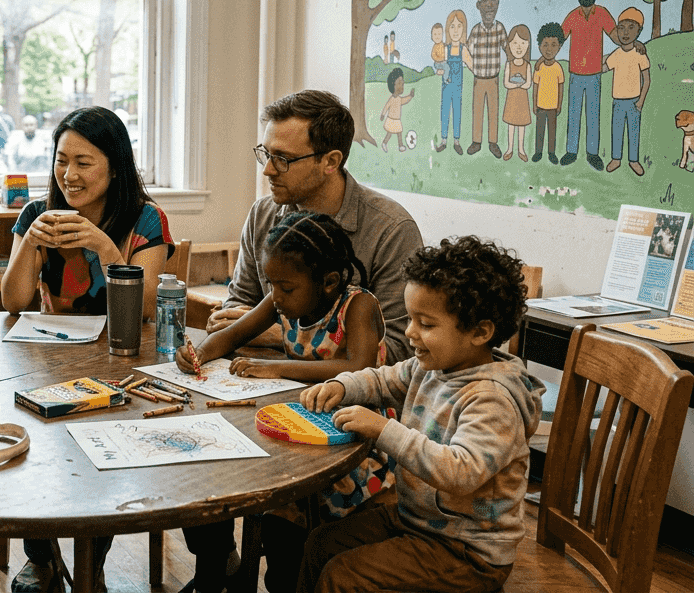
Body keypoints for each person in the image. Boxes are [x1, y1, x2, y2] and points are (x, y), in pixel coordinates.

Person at [295, 236, 545, 593]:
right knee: (320, 544)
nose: (410, 332)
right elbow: (382, 380)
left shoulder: (492, 399)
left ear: (480, 332)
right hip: (418, 521)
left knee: (343, 577)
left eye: (426, 324)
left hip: (468, 551)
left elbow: (460, 472)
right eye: (411, 318)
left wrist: (384, 429)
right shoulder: (432, 366)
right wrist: (343, 386)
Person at [0, 105, 174, 591]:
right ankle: (41, 557)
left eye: (84, 162)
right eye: (61, 161)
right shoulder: (37, 213)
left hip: (123, 361)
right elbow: (12, 301)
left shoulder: (145, 219)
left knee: (105, 453)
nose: (69, 175)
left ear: (115, 166)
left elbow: (144, 309)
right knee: (34, 448)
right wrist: (30, 242)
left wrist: (105, 248)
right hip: (49, 359)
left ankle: (89, 563)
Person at [177, 212, 392, 593]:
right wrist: (201, 352)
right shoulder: (282, 298)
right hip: (297, 429)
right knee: (272, 527)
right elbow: (233, 334)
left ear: (328, 282)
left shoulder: (358, 306)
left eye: (286, 287)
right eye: (272, 284)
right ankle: (239, 571)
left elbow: (358, 368)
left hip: (353, 442)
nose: (276, 296)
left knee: (301, 538)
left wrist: (276, 367)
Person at [206, 90, 422, 366]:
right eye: (266, 154)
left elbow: (401, 348)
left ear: (330, 161)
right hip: (265, 377)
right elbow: (237, 307)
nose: (268, 170)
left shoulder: (392, 230)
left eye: (283, 159)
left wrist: (283, 337)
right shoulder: (262, 214)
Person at [560, 0, 644, 170]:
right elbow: (558, 39)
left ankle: (592, 153)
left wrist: (635, 43)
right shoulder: (572, 16)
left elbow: (617, 37)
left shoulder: (603, 14)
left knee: (593, 114)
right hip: (575, 74)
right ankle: (571, 151)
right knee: (574, 114)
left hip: (595, 74)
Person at [603, 7, 651, 176]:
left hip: (634, 101)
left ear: (639, 31)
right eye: (621, 28)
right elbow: (604, 67)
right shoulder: (616, 54)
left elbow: (647, 80)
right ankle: (616, 159)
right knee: (617, 130)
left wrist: (641, 101)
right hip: (618, 101)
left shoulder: (640, 54)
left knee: (634, 132)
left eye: (631, 28)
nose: (625, 32)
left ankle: (633, 160)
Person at [465, 0, 506, 159]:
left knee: (493, 110)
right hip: (479, 79)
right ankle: (476, 141)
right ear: (478, 5)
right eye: (485, 0)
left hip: (494, 79)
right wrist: (472, 67)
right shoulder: (475, 31)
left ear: (498, 3)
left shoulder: (500, 29)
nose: (489, 5)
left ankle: (493, 142)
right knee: (478, 110)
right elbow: (466, 52)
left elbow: (508, 49)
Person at [435, 10, 471, 154]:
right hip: (446, 87)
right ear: (447, 29)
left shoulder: (463, 50)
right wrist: (439, 70)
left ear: (464, 29)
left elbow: (472, 65)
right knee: (445, 111)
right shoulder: (445, 49)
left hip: (457, 87)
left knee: (457, 111)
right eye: (452, 26)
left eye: (459, 26)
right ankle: (443, 141)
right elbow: (439, 64)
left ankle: (456, 141)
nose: (455, 30)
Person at [531, 22, 566, 163]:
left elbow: (561, 87)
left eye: (553, 45)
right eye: (545, 45)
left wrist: (559, 105)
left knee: (552, 131)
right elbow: (535, 87)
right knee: (539, 131)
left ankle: (552, 153)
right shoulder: (539, 68)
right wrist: (534, 105)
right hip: (540, 106)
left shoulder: (558, 68)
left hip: (553, 107)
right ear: (539, 46)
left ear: (559, 47)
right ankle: (538, 152)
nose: (549, 49)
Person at [501, 24, 533, 161]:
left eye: (523, 43)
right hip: (512, 99)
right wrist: (518, 85)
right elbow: (506, 83)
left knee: (521, 125)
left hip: (522, 100)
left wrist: (518, 84)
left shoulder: (527, 65)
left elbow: (528, 84)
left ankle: (521, 149)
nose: (519, 47)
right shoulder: (509, 64)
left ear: (528, 45)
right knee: (511, 124)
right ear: (509, 45)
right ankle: (509, 149)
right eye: (515, 43)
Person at [378, 68, 414, 152]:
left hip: (397, 120)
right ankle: (384, 143)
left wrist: (410, 96)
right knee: (389, 133)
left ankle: (400, 145)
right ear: (393, 85)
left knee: (399, 133)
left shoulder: (399, 99)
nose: (401, 86)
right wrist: (383, 114)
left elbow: (405, 100)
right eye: (399, 84)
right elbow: (386, 107)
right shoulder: (392, 99)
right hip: (391, 119)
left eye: (402, 84)